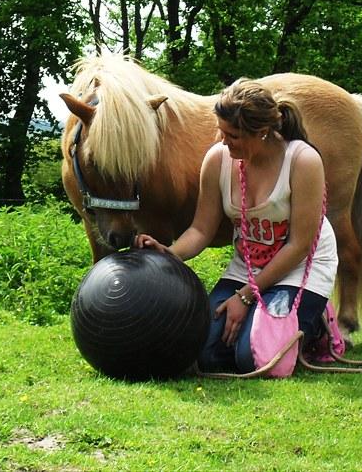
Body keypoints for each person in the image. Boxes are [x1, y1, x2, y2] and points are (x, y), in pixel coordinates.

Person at [135, 79, 338, 374]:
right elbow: (200, 230)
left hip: (300, 268)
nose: (223, 141)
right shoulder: (218, 159)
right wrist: (168, 254)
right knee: (203, 354)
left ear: (263, 133)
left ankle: (316, 326)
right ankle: (265, 321)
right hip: (248, 267)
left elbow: (299, 246)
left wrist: (244, 297)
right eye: (221, 131)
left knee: (258, 361)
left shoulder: (303, 160)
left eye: (233, 135)